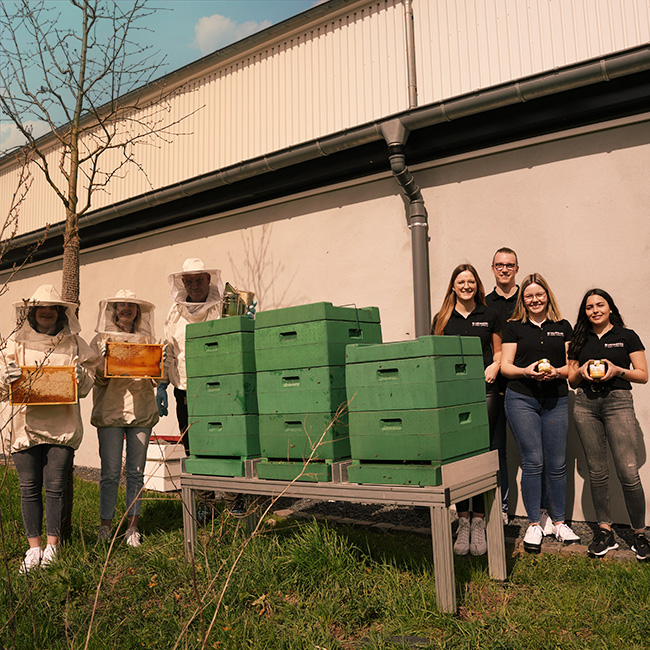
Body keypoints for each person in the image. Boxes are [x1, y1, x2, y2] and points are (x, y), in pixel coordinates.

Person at [0, 285, 96, 573]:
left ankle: (53, 547)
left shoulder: (75, 343)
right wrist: (5, 377)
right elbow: (2, 392)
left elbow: (88, 384)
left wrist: (81, 376)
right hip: (24, 424)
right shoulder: (14, 343)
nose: (46, 312)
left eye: (52, 307)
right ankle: (34, 549)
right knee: (28, 488)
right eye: (41, 307)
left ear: (61, 312)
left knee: (55, 487)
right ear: (31, 311)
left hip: (62, 425)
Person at [568, 289, 650, 559]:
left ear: (610, 308)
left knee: (628, 473)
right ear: (585, 312)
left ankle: (639, 533)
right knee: (597, 471)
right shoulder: (579, 337)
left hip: (618, 402)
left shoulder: (626, 336)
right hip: (586, 405)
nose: (595, 310)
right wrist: (580, 371)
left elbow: (642, 375)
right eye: (589, 307)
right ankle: (605, 532)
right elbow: (571, 379)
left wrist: (617, 370)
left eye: (600, 305)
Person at [501, 273, 580, 553]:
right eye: (529, 296)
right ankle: (534, 523)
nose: (535, 300)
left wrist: (556, 372)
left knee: (557, 463)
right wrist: (526, 371)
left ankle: (559, 522)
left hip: (555, 398)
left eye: (539, 294)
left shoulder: (563, 326)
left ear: (547, 295)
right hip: (521, 397)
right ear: (523, 300)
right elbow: (505, 366)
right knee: (533, 461)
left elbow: (573, 368)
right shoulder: (514, 327)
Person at [432, 264, 502, 556]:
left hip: (485, 391)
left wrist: (496, 365)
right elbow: (434, 354)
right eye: (461, 282)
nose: (466, 286)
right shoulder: (441, 318)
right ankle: (463, 520)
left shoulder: (490, 315)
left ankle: (480, 521)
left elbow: (498, 350)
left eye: (471, 281)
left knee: (484, 454)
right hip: (454, 395)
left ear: (477, 285)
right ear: (453, 286)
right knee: (460, 456)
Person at [91, 290, 160, 548]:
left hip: (141, 411)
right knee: (109, 473)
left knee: (136, 472)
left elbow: (156, 378)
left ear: (137, 310)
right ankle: (105, 526)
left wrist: (158, 362)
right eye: (121, 305)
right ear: (114, 308)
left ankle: (132, 528)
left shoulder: (147, 339)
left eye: (131, 305)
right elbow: (95, 379)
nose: (126, 309)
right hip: (110, 411)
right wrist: (102, 362)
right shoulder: (100, 339)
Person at [156, 258, 225, 454]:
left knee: (218, 445)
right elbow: (169, 351)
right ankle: (197, 485)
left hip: (217, 388)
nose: (194, 286)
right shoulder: (175, 313)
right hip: (184, 390)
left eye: (199, 280)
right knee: (191, 448)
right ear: (183, 283)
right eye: (190, 281)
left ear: (208, 279)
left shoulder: (221, 308)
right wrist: (162, 384)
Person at [485, 247, 520, 523]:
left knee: (533, 451)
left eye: (509, 265)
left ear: (516, 268)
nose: (504, 269)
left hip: (526, 385)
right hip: (495, 387)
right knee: (497, 449)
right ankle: (502, 507)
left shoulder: (530, 298)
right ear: (493, 268)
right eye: (500, 265)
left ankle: (542, 511)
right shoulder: (484, 304)